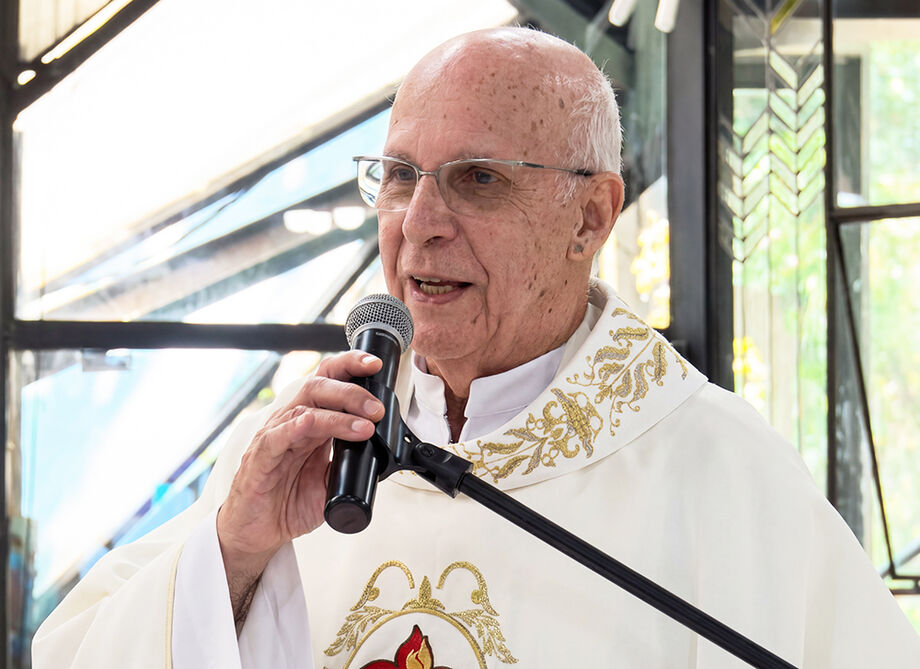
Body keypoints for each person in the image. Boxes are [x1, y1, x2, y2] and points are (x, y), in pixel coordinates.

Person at [33, 27, 920, 669]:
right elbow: (74, 651)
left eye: (477, 180)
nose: (418, 225)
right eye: (399, 177)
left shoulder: (725, 476)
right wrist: (232, 553)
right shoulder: (297, 455)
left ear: (590, 216)